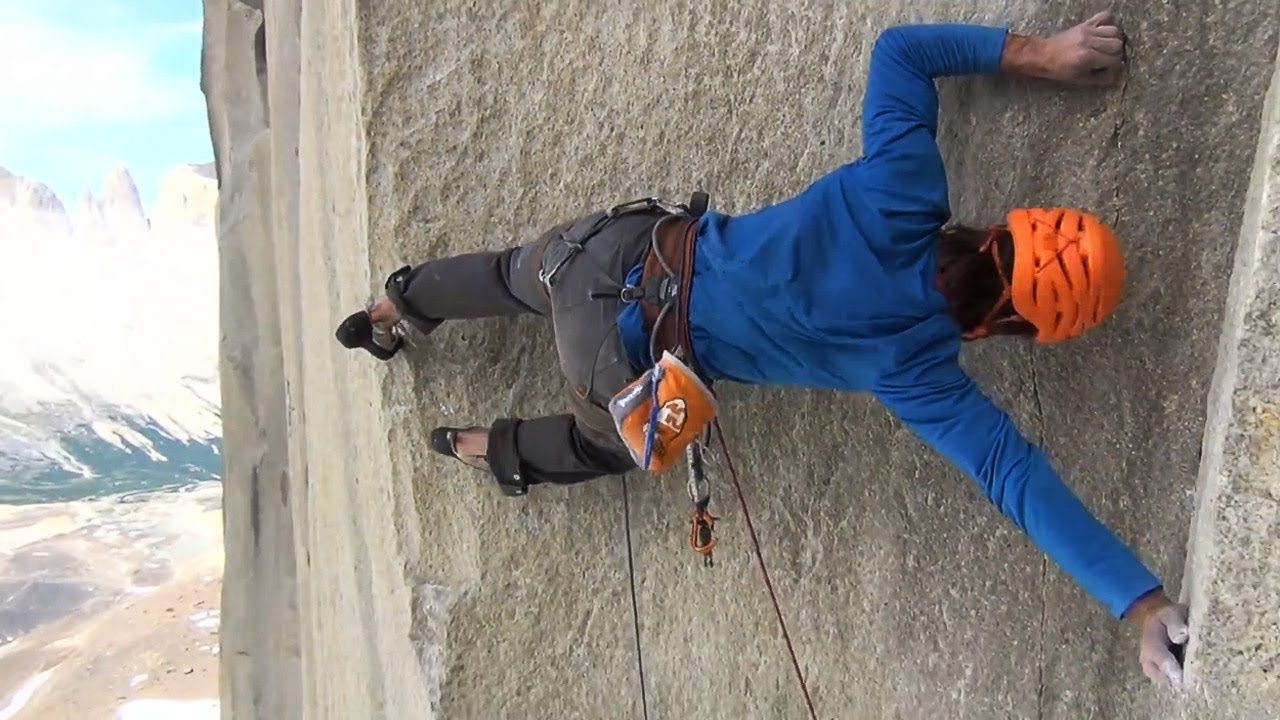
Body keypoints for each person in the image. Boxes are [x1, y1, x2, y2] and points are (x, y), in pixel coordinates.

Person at [336, 11, 1191, 687]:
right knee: (618, 442)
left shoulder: (903, 187)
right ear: (1020, 332)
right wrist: (1141, 603)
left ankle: (394, 304)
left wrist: (1043, 53)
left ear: (1015, 225)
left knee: (514, 273)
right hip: (620, 368)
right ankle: (483, 447)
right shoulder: (920, 372)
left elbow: (901, 53)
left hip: (615, 249)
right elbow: (1015, 478)